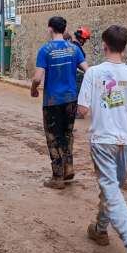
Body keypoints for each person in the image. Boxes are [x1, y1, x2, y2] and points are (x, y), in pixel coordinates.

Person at [77, 25, 127, 253]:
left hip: (102, 139)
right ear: (126, 46)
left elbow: (83, 110)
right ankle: (99, 228)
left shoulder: (94, 73)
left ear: (104, 45)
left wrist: (87, 108)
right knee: (111, 188)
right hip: (124, 142)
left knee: (112, 192)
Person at [31, 16, 89, 189]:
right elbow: (87, 70)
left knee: (53, 137)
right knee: (67, 134)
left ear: (50, 29)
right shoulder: (74, 49)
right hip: (71, 99)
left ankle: (57, 177)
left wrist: (33, 88)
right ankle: (68, 167)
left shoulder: (45, 50)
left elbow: (37, 77)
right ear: (64, 30)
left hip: (52, 101)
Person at [72, 26, 91, 93]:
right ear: (81, 38)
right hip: (75, 77)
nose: (85, 41)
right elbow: (81, 65)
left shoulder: (70, 45)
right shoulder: (77, 48)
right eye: (85, 39)